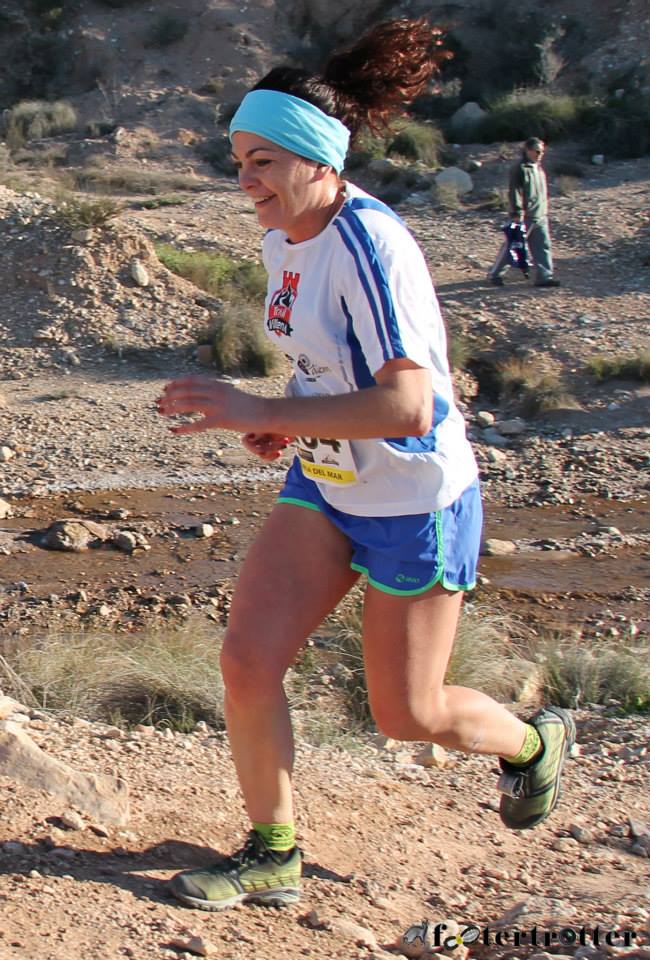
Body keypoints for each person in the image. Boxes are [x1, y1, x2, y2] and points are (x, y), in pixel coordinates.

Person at [156, 20, 574, 912]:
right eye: (239, 160)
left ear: (315, 159)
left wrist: (268, 411)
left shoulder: (372, 247)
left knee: (406, 716)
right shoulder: (285, 240)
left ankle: (536, 744)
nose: (245, 180)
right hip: (330, 480)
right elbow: (326, 368)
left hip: (415, 501)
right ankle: (273, 850)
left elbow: (413, 406)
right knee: (246, 657)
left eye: (262, 160)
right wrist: (286, 425)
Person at [488, 137, 561, 288]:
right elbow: (514, 191)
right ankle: (495, 274)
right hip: (525, 216)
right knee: (513, 246)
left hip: (540, 215)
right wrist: (516, 212)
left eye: (542, 151)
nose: (540, 154)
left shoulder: (538, 167)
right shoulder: (520, 168)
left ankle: (545, 276)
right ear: (528, 150)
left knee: (543, 246)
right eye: (537, 151)